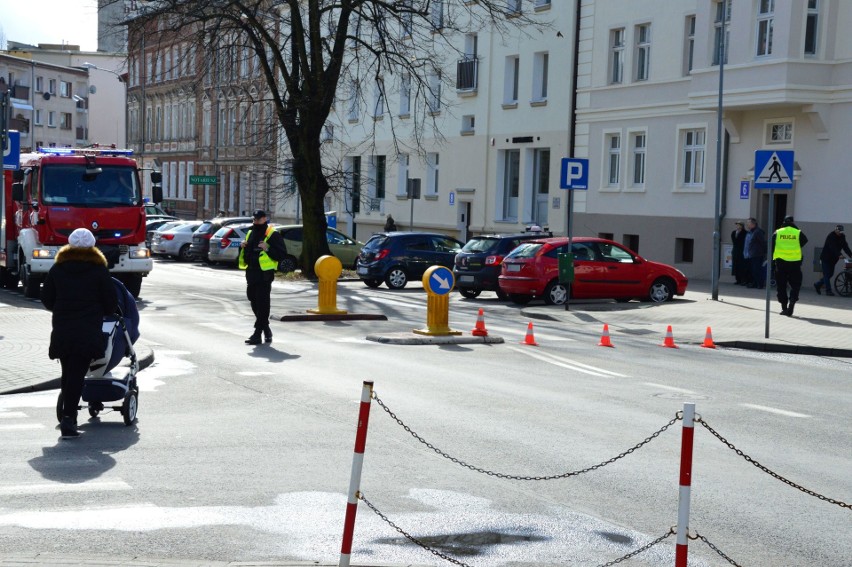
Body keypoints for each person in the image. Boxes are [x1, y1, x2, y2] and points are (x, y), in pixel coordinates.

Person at [41, 228, 118, 439]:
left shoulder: (58, 268)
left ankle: (68, 416)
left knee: (68, 373)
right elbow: (110, 303)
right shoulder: (99, 270)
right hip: (87, 329)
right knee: (76, 374)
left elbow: (46, 297)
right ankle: (68, 420)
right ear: (92, 246)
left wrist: (61, 308)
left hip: (63, 328)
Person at [238, 210, 287, 345]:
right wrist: (243, 247)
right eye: (254, 219)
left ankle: (257, 333)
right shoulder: (250, 233)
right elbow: (247, 253)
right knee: (252, 299)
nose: (256, 221)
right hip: (251, 273)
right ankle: (266, 327)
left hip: (264, 274)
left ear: (265, 219)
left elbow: (282, 255)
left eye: (258, 219)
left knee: (262, 303)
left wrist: (267, 248)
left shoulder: (272, 234)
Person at [772, 216, 808, 317]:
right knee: (795, 285)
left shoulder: (777, 232)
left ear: (783, 222)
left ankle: (784, 308)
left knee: (781, 286)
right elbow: (804, 241)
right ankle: (792, 303)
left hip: (780, 263)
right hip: (794, 263)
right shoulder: (797, 232)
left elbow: (772, 244)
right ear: (792, 222)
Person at [814, 224, 852, 297]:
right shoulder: (831, 236)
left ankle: (817, 284)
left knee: (830, 274)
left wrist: (850, 254)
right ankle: (828, 291)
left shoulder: (842, 237)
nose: (840, 233)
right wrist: (839, 254)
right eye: (838, 231)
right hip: (826, 258)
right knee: (827, 274)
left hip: (833, 259)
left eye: (841, 232)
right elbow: (832, 247)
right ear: (836, 230)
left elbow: (845, 247)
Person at [743, 217, 767, 289]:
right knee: (753, 270)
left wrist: (764, 252)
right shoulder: (751, 231)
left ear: (753, 224)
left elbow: (763, 242)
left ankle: (760, 284)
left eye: (749, 223)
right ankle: (755, 283)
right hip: (752, 254)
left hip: (757, 254)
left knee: (757, 269)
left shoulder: (758, 232)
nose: (747, 225)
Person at [731, 221, 748, 285]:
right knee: (735, 265)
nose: (737, 226)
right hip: (735, 251)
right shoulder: (734, 232)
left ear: (742, 226)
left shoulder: (745, 233)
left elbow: (742, 242)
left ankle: (743, 280)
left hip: (742, 251)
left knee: (742, 266)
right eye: (737, 225)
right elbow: (734, 241)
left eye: (739, 225)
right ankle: (737, 279)